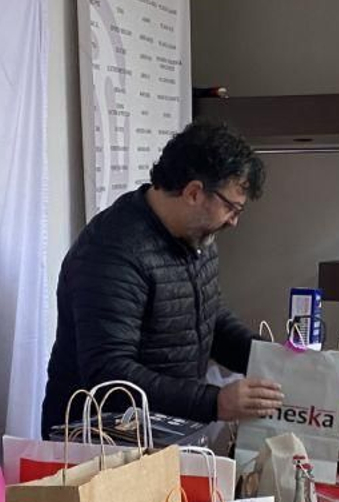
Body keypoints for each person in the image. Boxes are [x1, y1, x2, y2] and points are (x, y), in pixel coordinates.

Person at [41, 121, 284, 432]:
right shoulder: (112, 250)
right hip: (98, 441)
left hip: (165, 431)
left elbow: (210, 320)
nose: (233, 222)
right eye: (231, 209)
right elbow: (110, 373)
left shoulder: (197, 236)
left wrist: (271, 360)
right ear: (194, 193)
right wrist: (214, 401)